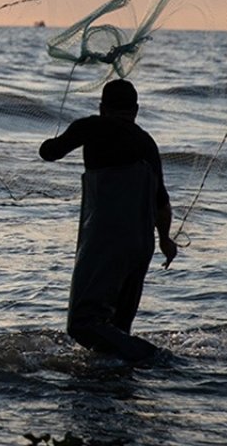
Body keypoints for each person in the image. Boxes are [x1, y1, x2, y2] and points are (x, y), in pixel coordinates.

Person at [40, 79, 177, 362]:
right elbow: (162, 204)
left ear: (102, 107)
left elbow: (50, 152)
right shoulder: (147, 142)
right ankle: (117, 388)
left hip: (108, 239)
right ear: (135, 110)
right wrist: (165, 240)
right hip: (142, 245)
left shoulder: (92, 126)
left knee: (84, 323)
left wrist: (50, 143)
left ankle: (154, 358)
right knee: (116, 331)